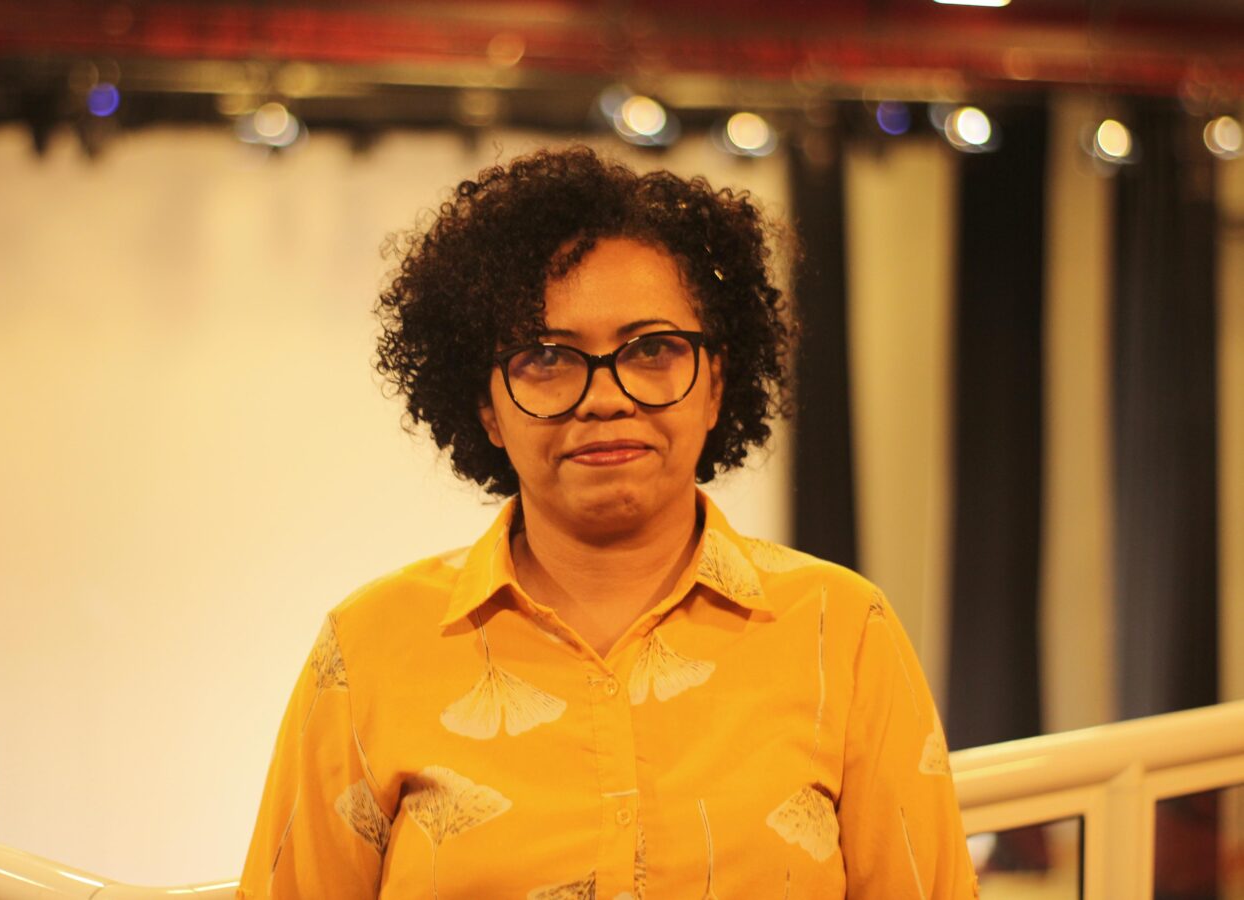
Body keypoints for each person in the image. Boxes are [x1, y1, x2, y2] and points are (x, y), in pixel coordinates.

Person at [236, 146, 977, 899]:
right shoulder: (369, 649)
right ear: (487, 408)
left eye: (653, 349)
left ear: (716, 384)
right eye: (546, 358)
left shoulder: (842, 630)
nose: (605, 398)